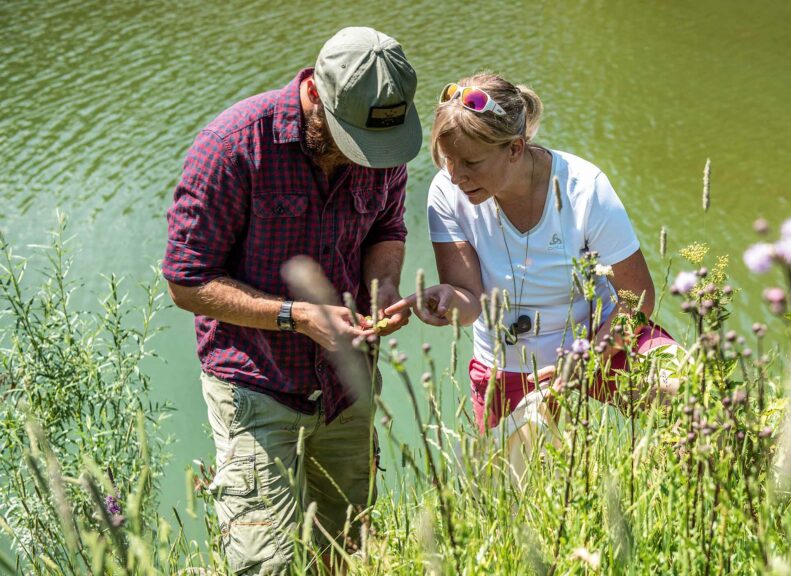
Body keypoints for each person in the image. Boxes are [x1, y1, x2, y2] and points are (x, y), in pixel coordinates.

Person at [162, 27, 420, 574]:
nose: (367, 159)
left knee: (346, 549)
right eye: (353, 141)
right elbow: (186, 281)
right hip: (256, 389)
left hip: (347, 387)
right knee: (266, 565)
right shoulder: (231, 145)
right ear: (314, 96)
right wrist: (296, 316)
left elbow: (387, 228)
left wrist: (385, 288)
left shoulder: (384, 138)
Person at [384, 74, 677, 433]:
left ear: (515, 149)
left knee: (692, 393)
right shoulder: (446, 192)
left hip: (599, 341)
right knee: (512, 484)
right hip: (506, 366)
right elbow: (470, 300)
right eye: (448, 160)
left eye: (471, 163)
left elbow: (639, 298)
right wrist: (447, 299)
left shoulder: (582, 187)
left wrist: (587, 359)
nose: (457, 176)